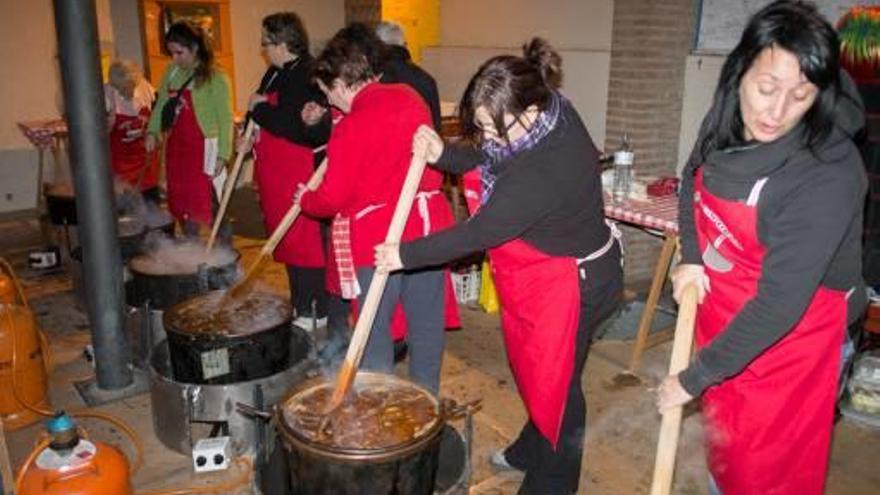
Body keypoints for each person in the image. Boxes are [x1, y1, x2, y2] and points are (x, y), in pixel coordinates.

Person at [375, 38, 623, 494]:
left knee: (559, 391)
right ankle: (532, 447)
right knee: (539, 375)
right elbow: (491, 153)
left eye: (494, 128)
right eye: (482, 126)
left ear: (527, 113)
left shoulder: (542, 172)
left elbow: (477, 234)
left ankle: (553, 482)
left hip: (579, 283)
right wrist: (444, 154)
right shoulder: (547, 109)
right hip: (555, 271)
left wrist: (402, 256)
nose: (487, 137)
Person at [656, 2, 867, 494]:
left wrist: (693, 377)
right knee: (726, 454)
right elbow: (693, 178)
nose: (775, 112)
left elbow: (778, 305)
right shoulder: (729, 114)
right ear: (740, 72)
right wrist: (691, 254)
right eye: (766, 89)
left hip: (797, 341)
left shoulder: (827, 174)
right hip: (731, 317)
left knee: (770, 474)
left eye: (800, 96)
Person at [295, 23, 448, 393]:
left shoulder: (353, 124)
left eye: (329, 91)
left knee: (374, 330)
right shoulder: (409, 96)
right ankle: (426, 399)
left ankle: (381, 402)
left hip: (378, 241)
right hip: (427, 233)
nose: (330, 101)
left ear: (345, 81)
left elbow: (332, 197)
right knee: (426, 324)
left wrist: (305, 199)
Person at [238, 12, 329, 327]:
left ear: (284, 42)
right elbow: (256, 108)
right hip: (274, 174)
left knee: (306, 244)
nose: (263, 49)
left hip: (298, 170)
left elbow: (297, 126)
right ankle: (300, 303)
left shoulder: (309, 74)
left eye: (267, 42)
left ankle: (316, 308)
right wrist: (247, 133)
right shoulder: (273, 72)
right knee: (286, 241)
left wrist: (259, 110)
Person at [146, 21, 233, 240]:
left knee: (212, 205)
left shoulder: (216, 76)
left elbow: (225, 119)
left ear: (195, 48)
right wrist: (151, 131)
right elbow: (161, 104)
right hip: (177, 148)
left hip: (205, 148)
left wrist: (223, 154)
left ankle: (225, 256)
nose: (174, 58)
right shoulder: (172, 72)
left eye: (179, 52)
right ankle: (192, 252)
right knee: (182, 202)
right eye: (171, 53)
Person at [104, 59, 160, 204]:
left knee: (151, 202)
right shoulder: (106, 94)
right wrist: (112, 118)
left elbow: (158, 114)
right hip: (121, 161)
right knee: (125, 205)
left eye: (131, 86)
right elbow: (102, 132)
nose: (128, 92)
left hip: (145, 157)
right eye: (123, 89)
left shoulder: (145, 87)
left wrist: (149, 128)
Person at [375, 21, 442, 130]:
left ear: (376, 45)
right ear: (404, 45)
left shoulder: (371, 78)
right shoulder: (426, 80)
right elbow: (435, 128)